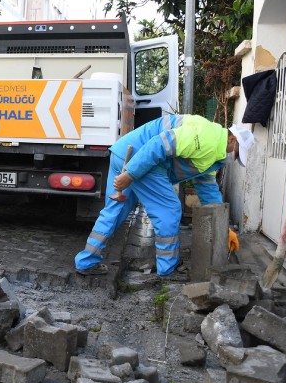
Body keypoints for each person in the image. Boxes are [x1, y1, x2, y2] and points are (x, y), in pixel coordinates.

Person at [75, 114, 254, 277]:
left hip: (124, 153)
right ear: (232, 139)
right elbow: (159, 144)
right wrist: (129, 174)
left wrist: (224, 229)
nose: (234, 156)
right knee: (169, 209)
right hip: (141, 158)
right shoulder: (207, 138)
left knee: (115, 211)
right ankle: (168, 267)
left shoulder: (214, 149)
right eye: (237, 152)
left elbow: (208, 190)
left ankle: (86, 261)